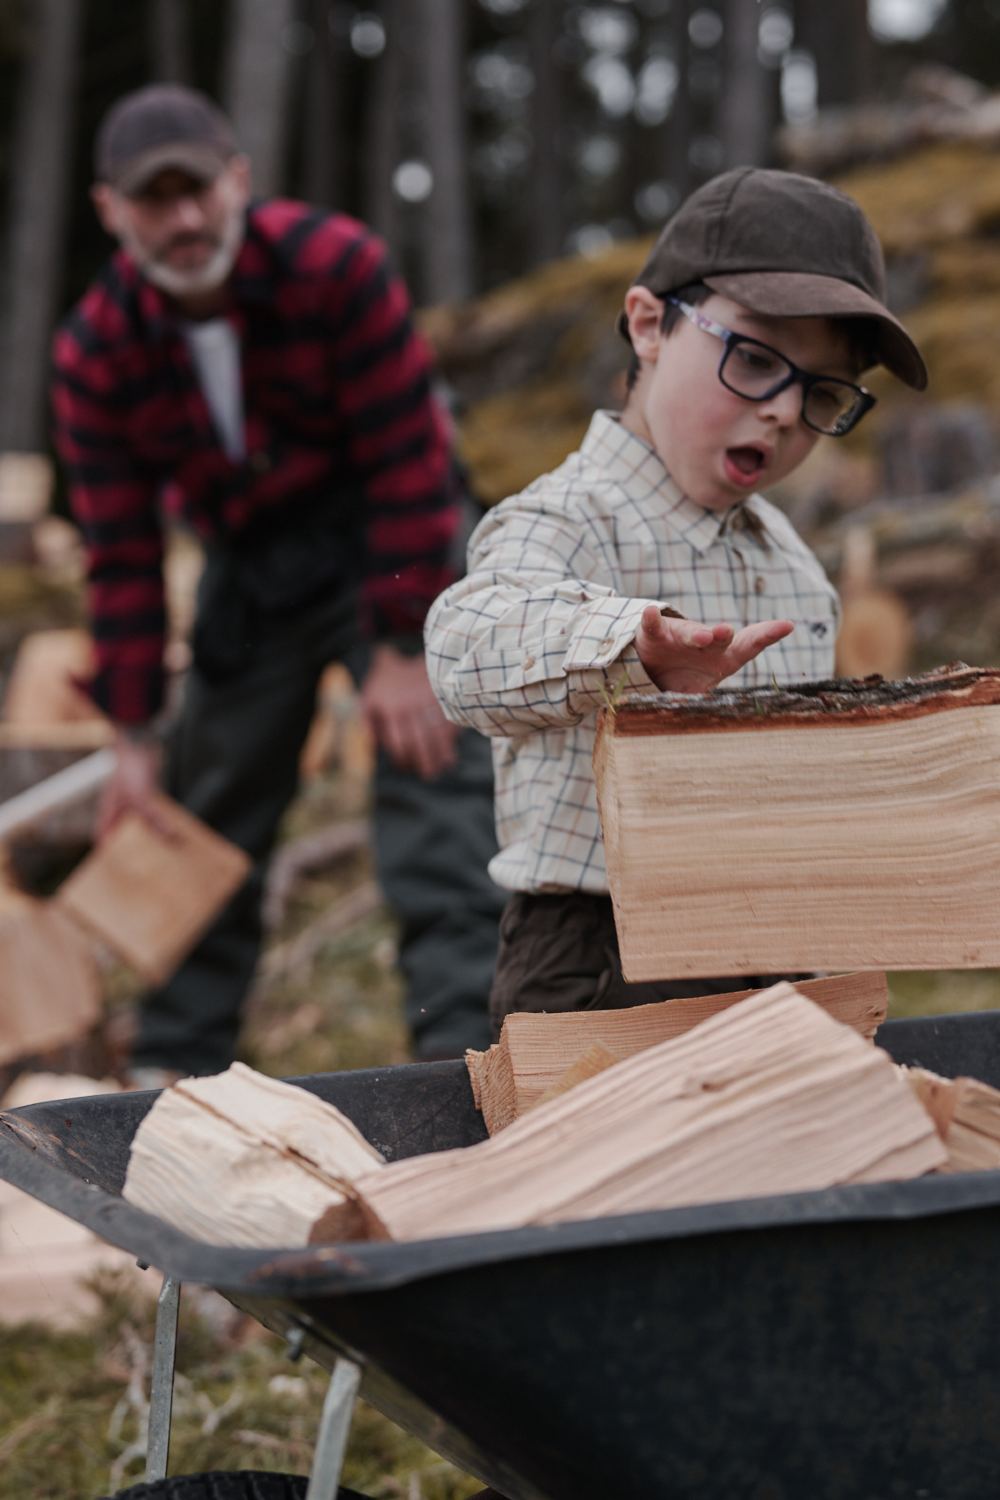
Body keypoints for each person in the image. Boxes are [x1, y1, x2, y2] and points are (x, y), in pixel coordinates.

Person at [51, 84, 503, 1081]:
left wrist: (401, 647)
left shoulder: (338, 267)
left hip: (387, 535)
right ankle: (172, 1073)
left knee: (432, 772)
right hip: (252, 564)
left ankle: (459, 1056)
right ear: (110, 212)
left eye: (196, 192)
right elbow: (119, 551)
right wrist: (131, 736)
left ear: (238, 182)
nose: (181, 222)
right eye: (151, 201)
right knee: (199, 802)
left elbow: (411, 464)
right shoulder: (94, 351)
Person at [424, 166, 927, 1036]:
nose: (782, 414)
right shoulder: (568, 518)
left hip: (773, 941)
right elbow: (464, 643)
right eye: (758, 360)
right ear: (650, 323)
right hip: (601, 957)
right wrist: (633, 647)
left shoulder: (798, 574)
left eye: (821, 394)